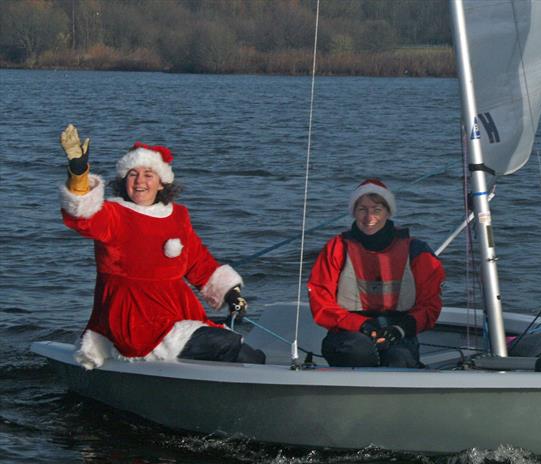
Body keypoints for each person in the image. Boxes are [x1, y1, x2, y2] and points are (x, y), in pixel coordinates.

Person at [58, 124, 265, 369]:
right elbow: (83, 217)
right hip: (134, 320)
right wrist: (78, 174)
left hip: (177, 312)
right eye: (133, 174)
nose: (139, 182)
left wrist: (232, 294)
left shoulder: (178, 215)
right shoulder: (112, 213)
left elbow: (198, 261)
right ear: (124, 181)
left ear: (161, 183)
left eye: (148, 175)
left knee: (248, 353)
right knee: (225, 344)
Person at [307, 179, 445, 367]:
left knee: (398, 359)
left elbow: (430, 305)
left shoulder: (417, 251)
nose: (369, 216)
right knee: (358, 351)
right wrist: (361, 325)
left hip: (399, 332)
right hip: (347, 335)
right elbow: (321, 302)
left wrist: (400, 329)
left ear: (388, 212)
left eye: (377, 210)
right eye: (362, 209)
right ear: (354, 212)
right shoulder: (337, 248)